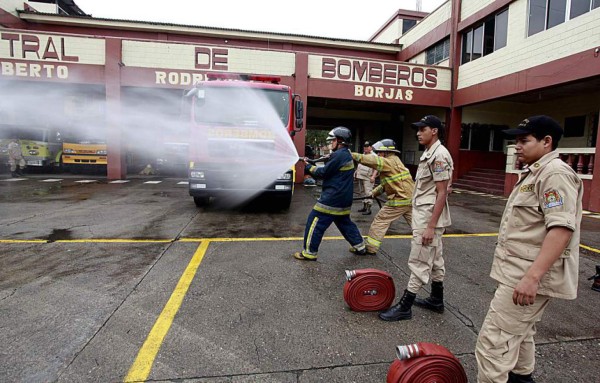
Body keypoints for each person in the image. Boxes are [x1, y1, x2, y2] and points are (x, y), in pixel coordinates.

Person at [475, 115, 583, 383]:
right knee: (520, 336)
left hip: (526, 275)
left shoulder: (554, 174)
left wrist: (533, 277)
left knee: (493, 344)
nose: (517, 147)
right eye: (516, 141)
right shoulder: (536, 172)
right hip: (518, 271)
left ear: (547, 142)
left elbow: (561, 229)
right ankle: (523, 379)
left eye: (524, 140)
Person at [379, 115, 453, 321]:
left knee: (419, 259)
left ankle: (405, 305)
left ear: (435, 131)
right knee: (435, 258)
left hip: (428, 217)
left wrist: (430, 226)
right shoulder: (431, 153)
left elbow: (442, 192)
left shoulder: (439, 155)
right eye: (418, 129)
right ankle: (436, 299)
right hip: (424, 212)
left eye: (423, 129)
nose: (418, 133)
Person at [293, 126, 367, 261]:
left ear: (340, 141)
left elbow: (323, 173)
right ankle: (360, 246)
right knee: (344, 222)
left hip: (332, 198)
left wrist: (307, 166)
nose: (330, 143)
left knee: (315, 221)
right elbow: (332, 169)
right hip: (344, 199)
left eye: (332, 140)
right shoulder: (345, 154)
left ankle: (309, 253)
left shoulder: (339, 155)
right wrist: (311, 161)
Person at [350, 139, 414, 255]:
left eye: (379, 152)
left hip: (399, 200)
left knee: (380, 221)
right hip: (409, 200)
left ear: (386, 152)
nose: (378, 154)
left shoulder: (388, 162)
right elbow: (386, 184)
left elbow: (371, 160)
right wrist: (373, 193)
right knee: (417, 225)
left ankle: (371, 248)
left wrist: (351, 155)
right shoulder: (395, 162)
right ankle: (428, 244)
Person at [354, 141, 378, 215]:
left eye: (367, 147)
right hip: (361, 176)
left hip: (368, 177)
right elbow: (360, 165)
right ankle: (364, 207)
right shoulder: (363, 155)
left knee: (368, 193)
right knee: (363, 193)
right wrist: (355, 173)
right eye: (364, 147)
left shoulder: (374, 156)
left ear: (371, 147)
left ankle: (368, 209)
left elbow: (377, 167)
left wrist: (373, 176)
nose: (365, 148)